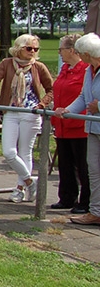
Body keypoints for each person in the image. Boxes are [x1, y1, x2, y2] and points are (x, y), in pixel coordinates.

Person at [0, 33, 54, 203]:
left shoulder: (39, 67)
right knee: (9, 152)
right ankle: (30, 181)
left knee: (25, 152)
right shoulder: (7, 64)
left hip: (31, 114)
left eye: (36, 49)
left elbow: (51, 89)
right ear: (19, 48)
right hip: (10, 111)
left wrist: (42, 105)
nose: (33, 52)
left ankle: (19, 189)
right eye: (29, 48)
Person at [55, 33, 100, 225]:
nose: (80, 56)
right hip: (93, 127)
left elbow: (94, 102)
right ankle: (95, 211)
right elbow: (84, 97)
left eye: (82, 53)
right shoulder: (89, 71)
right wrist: (67, 110)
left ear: (89, 53)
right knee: (94, 170)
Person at [49, 34, 89, 213]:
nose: (60, 53)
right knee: (65, 164)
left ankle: (86, 201)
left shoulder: (86, 70)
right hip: (62, 126)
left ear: (72, 50)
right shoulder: (65, 69)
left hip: (79, 127)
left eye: (61, 49)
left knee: (83, 166)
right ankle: (67, 197)